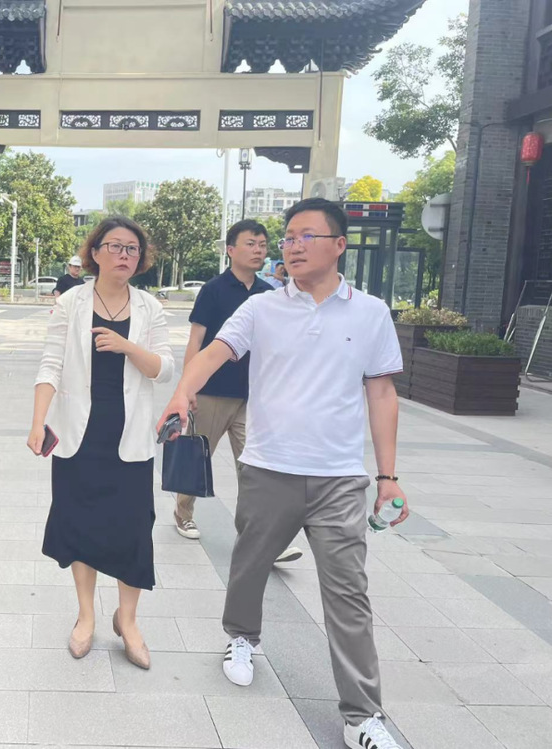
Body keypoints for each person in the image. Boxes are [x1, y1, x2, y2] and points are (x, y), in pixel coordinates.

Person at [158, 198, 409, 749]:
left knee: (349, 594)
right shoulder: (262, 307)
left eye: (305, 236)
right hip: (269, 467)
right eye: (288, 236)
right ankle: (242, 637)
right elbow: (214, 352)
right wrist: (182, 393)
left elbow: (382, 392)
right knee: (250, 565)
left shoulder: (371, 313)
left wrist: (387, 476)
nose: (292, 246)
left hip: (339, 478)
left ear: (338, 245)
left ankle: (362, 715)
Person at [28, 217, 174, 670]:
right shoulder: (70, 302)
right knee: (80, 525)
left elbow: (164, 369)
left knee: (134, 530)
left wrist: (127, 346)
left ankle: (127, 620)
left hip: (130, 438)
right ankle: (86, 615)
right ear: (95, 252)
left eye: (132, 248)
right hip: (80, 436)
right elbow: (50, 365)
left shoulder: (150, 307)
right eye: (115, 246)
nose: (124, 255)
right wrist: (38, 422)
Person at [173, 220, 302, 564]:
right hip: (212, 391)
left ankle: (261, 536)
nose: (259, 250)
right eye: (251, 244)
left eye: (263, 245)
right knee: (197, 458)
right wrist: (188, 387)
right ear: (231, 250)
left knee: (254, 469)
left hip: (253, 397)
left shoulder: (268, 294)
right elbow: (196, 341)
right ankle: (183, 514)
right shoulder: (213, 290)